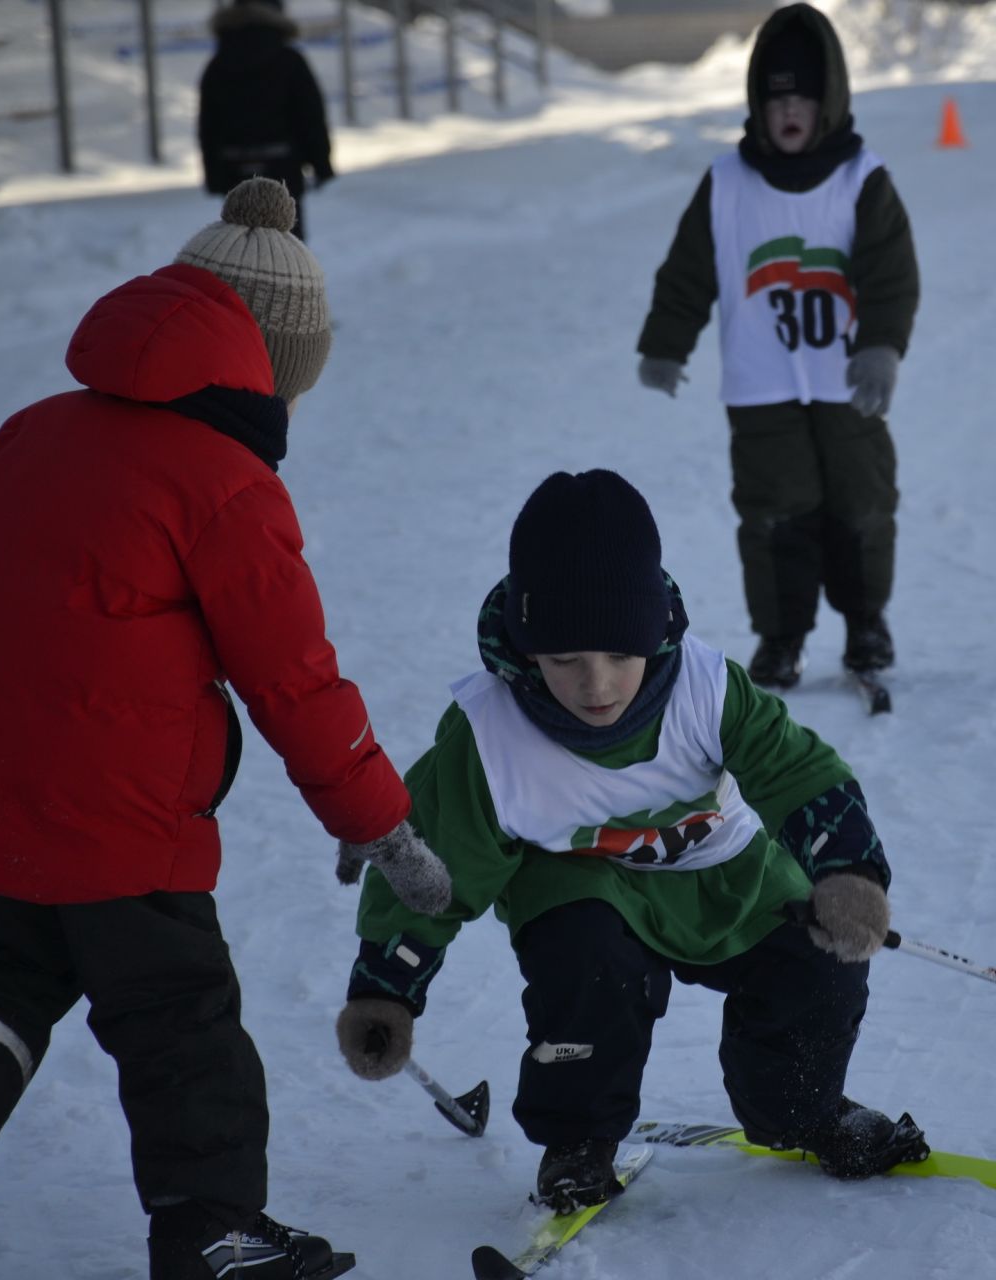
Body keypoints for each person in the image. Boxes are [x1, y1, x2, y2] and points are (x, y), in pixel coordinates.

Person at [0, 178, 451, 1280]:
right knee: (183, 1025)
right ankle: (211, 1228)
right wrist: (379, 818)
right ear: (276, 365)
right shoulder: (224, 482)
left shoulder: (28, 432)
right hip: (122, 823)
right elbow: (294, 678)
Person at [334, 468, 926, 1217]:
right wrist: (386, 990)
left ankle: (804, 1112)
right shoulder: (488, 738)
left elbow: (799, 772)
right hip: (582, 886)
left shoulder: (706, 689)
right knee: (588, 970)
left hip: (724, 873)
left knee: (818, 966)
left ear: (655, 631)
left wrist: (848, 873)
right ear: (524, 645)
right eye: (564, 660)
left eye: (619, 654)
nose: (596, 684)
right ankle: (577, 1143)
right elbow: (434, 871)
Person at [634, 3, 919, 690]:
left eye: (804, 97)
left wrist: (881, 347)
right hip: (761, 384)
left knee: (863, 504)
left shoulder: (862, 180)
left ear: (831, 102)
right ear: (757, 106)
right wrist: (666, 344)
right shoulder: (728, 183)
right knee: (772, 513)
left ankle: (865, 623)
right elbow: (687, 271)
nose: (790, 110)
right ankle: (781, 636)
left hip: (846, 382)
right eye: (777, 97)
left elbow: (891, 272)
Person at [198, 0, 334, 242]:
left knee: (239, 246)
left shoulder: (217, 65)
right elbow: (310, 115)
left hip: (233, 169)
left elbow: (208, 125)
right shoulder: (290, 60)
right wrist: (321, 164)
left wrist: (213, 175)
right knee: (288, 246)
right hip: (282, 167)